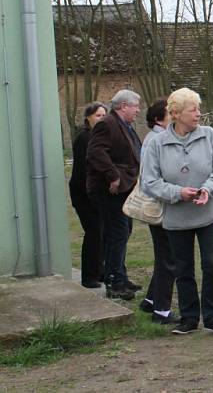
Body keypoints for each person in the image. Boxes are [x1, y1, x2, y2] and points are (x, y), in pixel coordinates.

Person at [140, 88, 213, 336]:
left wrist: (207, 189)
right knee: (183, 268)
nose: (199, 114)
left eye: (198, 108)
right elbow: (148, 181)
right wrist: (177, 193)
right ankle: (189, 318)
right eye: (194, 110)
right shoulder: (157, 143)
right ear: (176, 113)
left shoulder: (210, 136)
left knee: (211, 264)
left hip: (209, 213)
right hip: (176, 217)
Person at [86, 89, 142, 300]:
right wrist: (113, 176)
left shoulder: (124, 125)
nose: (137, 110)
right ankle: (114, 281)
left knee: (123, 231)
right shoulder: (107, 124)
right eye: (135, 105)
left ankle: (121, 276)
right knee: (116, 233)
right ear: (123, 106)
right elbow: (95, 152)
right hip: (108, 190)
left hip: (123, 188)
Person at [138, 98, 179, 325]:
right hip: (161, 206)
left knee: (164, 255)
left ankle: (152, 300)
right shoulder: (157, 141)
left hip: (159, 204)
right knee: (168, 257)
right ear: (158, 119)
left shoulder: (153, 138)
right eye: (168, 113)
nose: (172, 116)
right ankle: (162, 311)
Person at [69, 101, 108, 288]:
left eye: (103, 115)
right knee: (93, 233)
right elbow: (82, 171)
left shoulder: (99, 138)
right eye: (98, 115)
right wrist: (92, 194)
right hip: (85, 195)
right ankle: (89, 277)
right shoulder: (84, 139)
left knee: (101, 233)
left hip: (98, 194)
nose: (101, 119)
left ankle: (100, 271)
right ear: (88, 118)